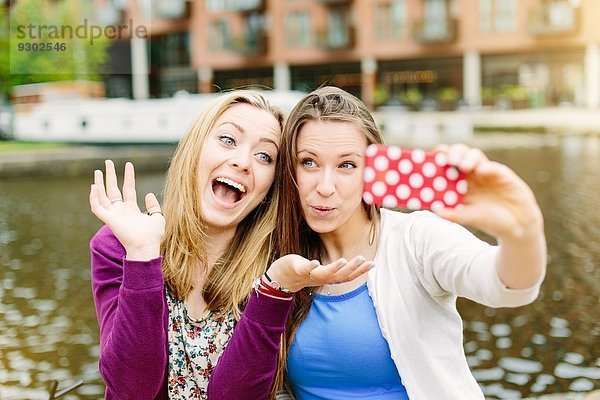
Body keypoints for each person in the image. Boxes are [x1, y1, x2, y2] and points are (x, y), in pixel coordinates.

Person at [260, 86, 547, 399]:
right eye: (309, 162)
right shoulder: (276, 256)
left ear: (371, 170)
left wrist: (522, 232)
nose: (325, 187)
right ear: (289, 169)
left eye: (346, 165)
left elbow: (505, 285)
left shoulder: (416, 239)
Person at [88, 90, 371, 400]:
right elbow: (131, 388)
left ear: (270, 185)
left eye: (265, 156)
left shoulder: (281, 261)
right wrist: (142, 257)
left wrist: (275, 290)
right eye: (228, 140)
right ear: (194, 149)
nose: (242, 162)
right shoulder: (118, 245)